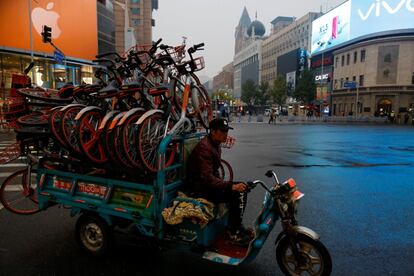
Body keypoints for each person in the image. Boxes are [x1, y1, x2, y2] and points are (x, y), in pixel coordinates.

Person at [185, 118, 251, 246]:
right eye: (223, 131)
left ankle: (235, 225)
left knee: (242, 188)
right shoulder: (205, 148)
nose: (226, 134)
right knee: (236, 193)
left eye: (226, 131)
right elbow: (207, 179)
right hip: (199, 188)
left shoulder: (215, 144)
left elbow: (213, 172)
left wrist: (228, 185)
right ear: (213, 131)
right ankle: (233, 232)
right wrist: (229, 186)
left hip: (206, 184)